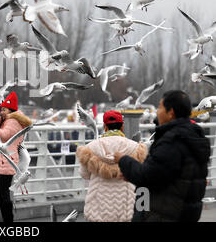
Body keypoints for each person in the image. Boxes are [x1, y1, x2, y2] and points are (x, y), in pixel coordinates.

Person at [114, 90, 211, 222]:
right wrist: (132, 173)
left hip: (166, 214)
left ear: (171, 112)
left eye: (160, 107)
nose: (157, 111)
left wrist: (123, 160)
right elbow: (169, 175)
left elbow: (147, 176)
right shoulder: (196, 137)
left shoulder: (172, 141)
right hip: (187, 213)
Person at [76, 110, 148, 222]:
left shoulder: (90, 148)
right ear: (122, 127)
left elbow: (84, 174)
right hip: (126, 207)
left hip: (97, 209)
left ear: (105, 127)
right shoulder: (135, 148)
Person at [0, 91, 32, 222]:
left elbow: (3, 135)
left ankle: (8, 220)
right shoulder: (12, 120)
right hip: (6, 159)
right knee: (1, 193)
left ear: (11, 110)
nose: (2, 112)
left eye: (4, 109)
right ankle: (7, 219)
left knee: (2, 193)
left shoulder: (12, 121)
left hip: (7, 160)